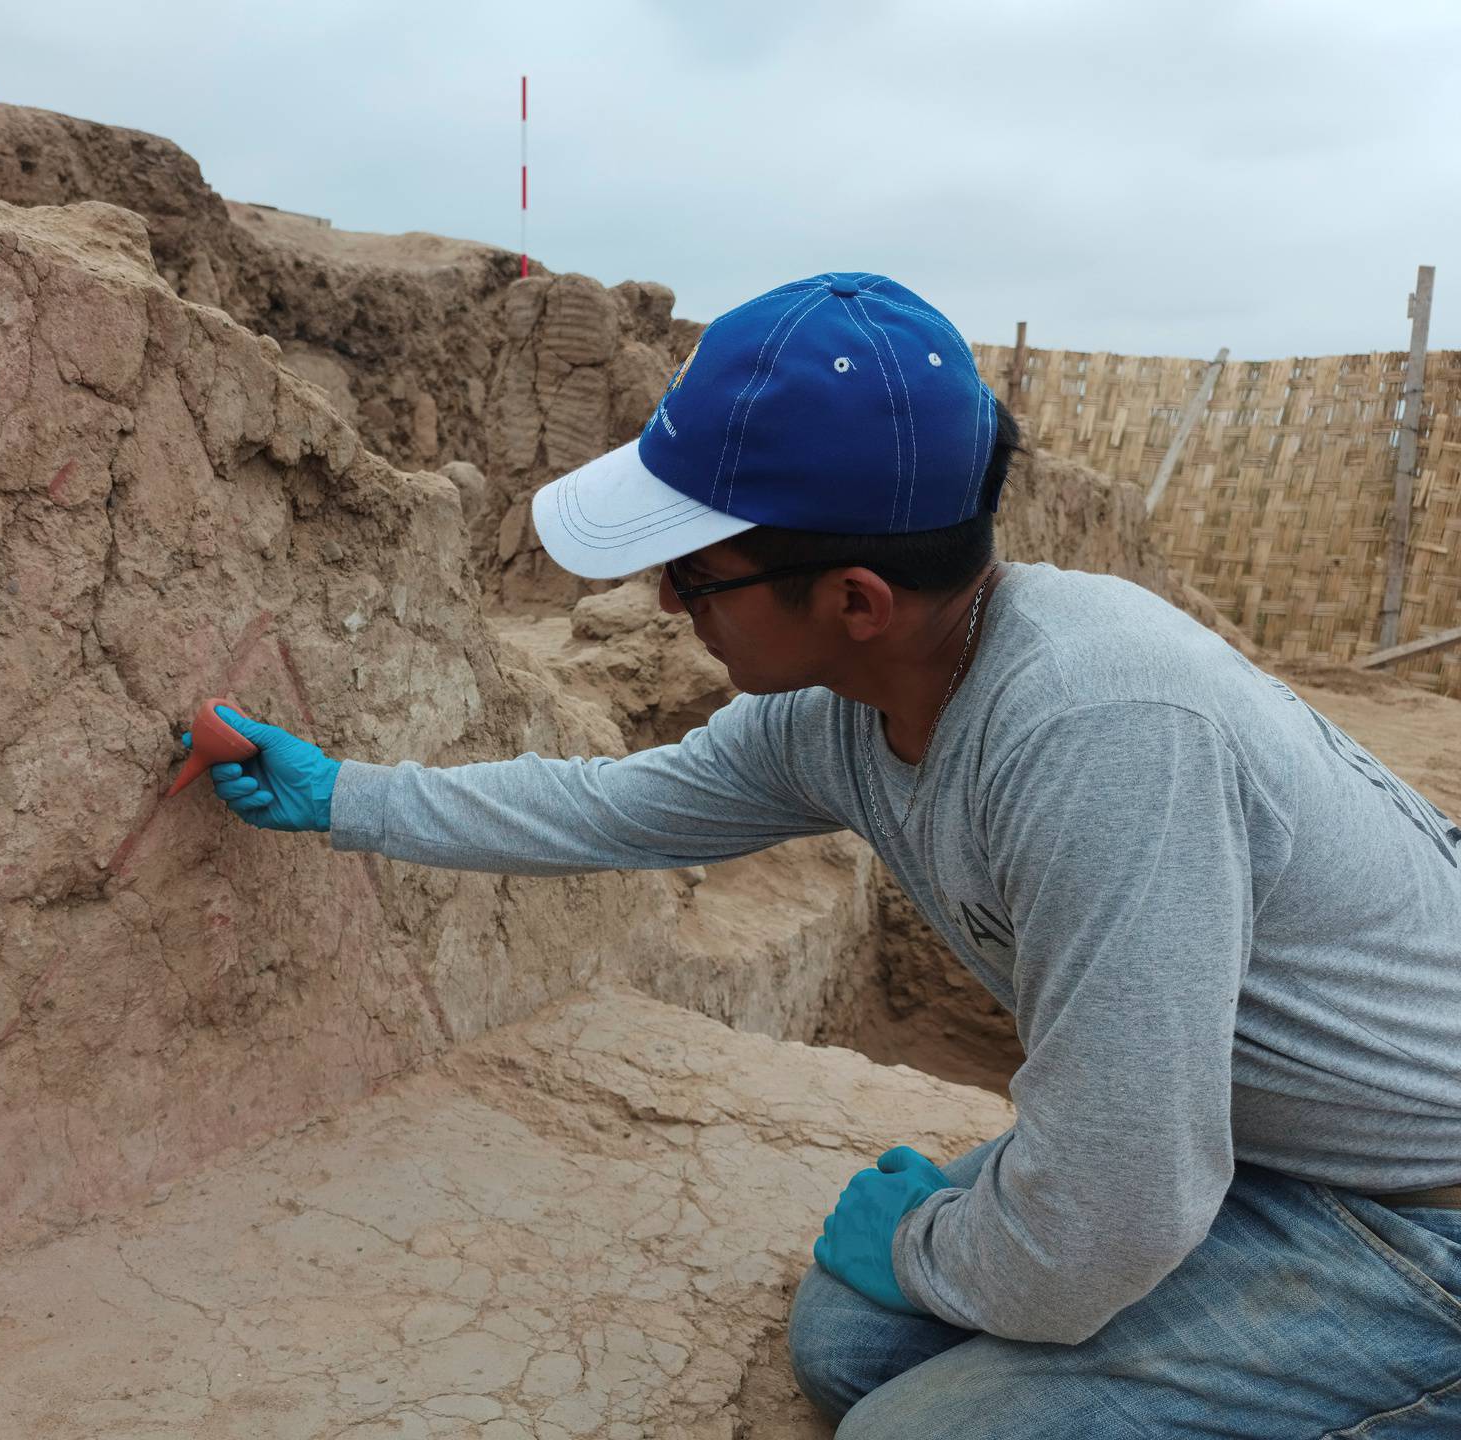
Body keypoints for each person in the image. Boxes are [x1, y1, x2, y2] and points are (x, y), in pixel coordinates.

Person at [181, 272, 1461, 1437]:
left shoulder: (1098, 738)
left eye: (693, 575)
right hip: (1276, 1153)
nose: (662, 604)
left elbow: (1106, 1219)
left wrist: (933, 1246)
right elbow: (613, 809)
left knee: (911, 1430)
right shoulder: (853, 706)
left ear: (854, 600)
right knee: (849, 1341)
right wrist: (345, 795)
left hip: (1424, 1207)